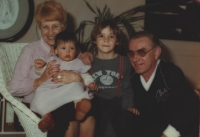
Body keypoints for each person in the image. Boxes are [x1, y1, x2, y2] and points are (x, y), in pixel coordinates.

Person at [8, 1, 95, 137]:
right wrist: (41, 80)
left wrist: (79, 79)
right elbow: (13, 88)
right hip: (38, 105)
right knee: (69, 114)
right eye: (45, 27)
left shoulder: (71, 49)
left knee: (90, 113)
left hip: (68, 100)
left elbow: (85, 77)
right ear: (39, 28)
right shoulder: (30, 51)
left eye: (55, 26)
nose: (50, 33)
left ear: (64, 26)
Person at [126, 30, 199, 137]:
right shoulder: (130, 77)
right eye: (131, 53)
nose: (135, 58)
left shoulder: (170, 72)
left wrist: (168, 134)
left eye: (142, 52)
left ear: (156, 53)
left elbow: (189, 108)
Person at [30, 31, 98, 132]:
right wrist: (39, 66)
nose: (67, 52)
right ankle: (47, 117)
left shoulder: (78, 63)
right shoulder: (52, 60)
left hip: (69, 91)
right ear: (56, 50)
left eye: (71, 48)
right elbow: (42, 71)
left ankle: (80, 106)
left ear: (76, 50)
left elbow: (84, 75)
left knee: (77, 86)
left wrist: (90, 83)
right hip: (52, 89)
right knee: (40, 93)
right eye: (63, 48)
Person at [86, 19, 139, 137]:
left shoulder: (123, 61)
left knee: (109, 130)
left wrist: (129, 106)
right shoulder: (88, 61)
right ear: (94, 40)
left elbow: (127, 87)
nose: (106, 40)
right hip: (95, 102)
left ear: (117, 41)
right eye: (101, 36)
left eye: (111, 36)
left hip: (115, 102)